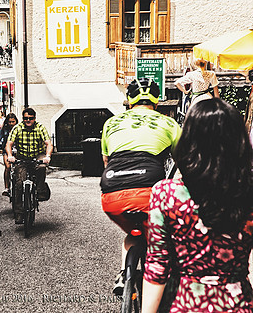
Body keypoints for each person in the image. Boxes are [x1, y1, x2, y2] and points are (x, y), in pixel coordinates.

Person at [142, 98, 253, 313]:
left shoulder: (166, 194)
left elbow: (157, 265)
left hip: (185, 304)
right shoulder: (247, 193)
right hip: (238, 305)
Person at [100, 78, 182, 295]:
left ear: (129, 100)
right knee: (162, 236)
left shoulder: (111, 123)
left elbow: (106, 162)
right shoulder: (169, 123)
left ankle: (122, 274)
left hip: (112, 192)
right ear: (157, 100)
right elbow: (186, 164)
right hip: (149, 193)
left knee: (133, 233)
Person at [5, 108, 53, 224]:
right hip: (22, 158)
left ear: (34, 119)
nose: (28, 120)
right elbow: (9, 143)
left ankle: (40, 190)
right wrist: (10, 155)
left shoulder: (40, 127)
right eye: (26, 118)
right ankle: (19, 213)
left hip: (38, 155)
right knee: (19, 183)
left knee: (41, 167)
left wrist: (47, 156)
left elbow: (48, 143)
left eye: (30, 118)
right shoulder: (18, 128)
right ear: (23, 119)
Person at [0, 113, 18, 197]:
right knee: (8, 167)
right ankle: (7, 187)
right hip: (6, 150)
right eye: (9, 122)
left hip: (18, 150)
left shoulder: (19, 128)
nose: (11, 124)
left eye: (13, 122)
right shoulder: (4, 129)